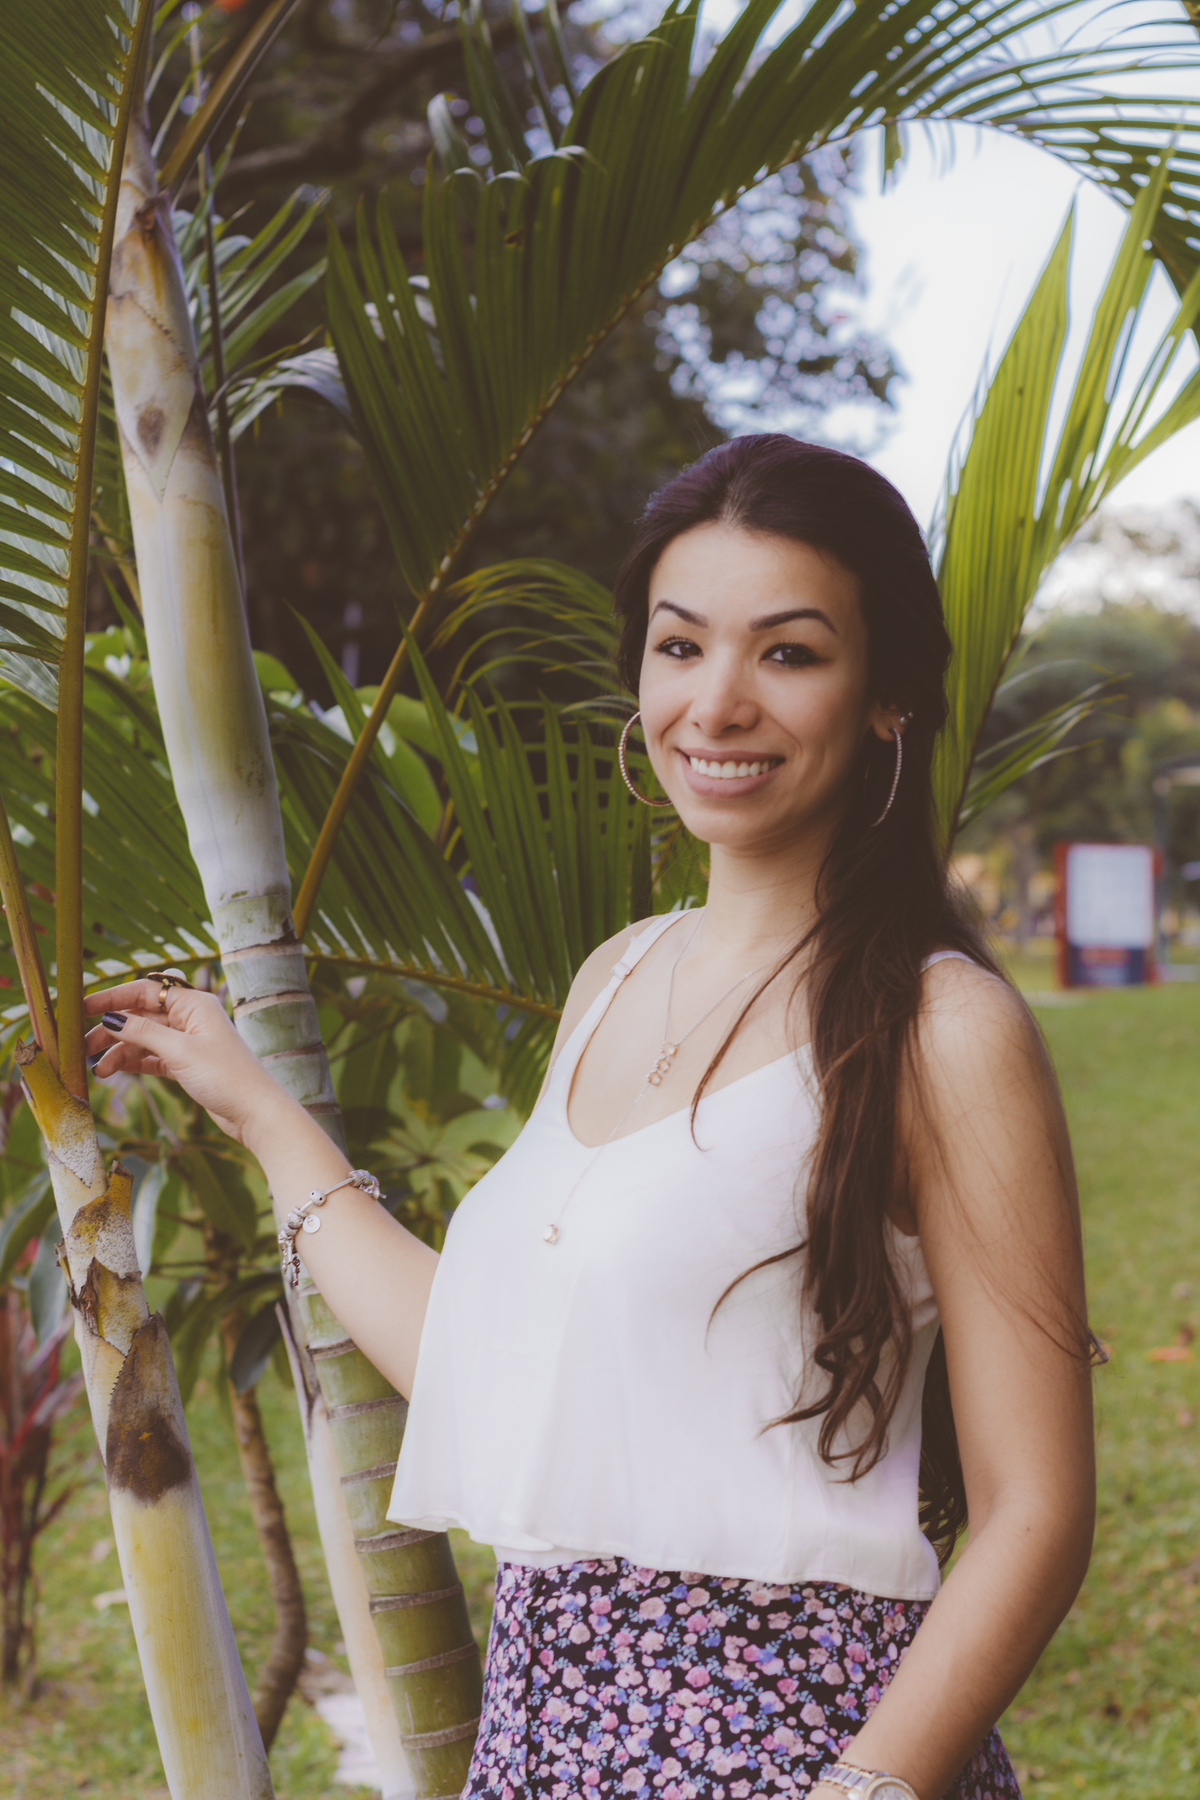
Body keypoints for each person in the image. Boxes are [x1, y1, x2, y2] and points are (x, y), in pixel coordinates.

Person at [86, 436, 1095, 1800]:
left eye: (789, 653)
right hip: (547, 1738)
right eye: (681, 647)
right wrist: (260, 1108)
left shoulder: (940, 1028)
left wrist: (862, 1791)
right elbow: (493, 1362)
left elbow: (1038, 1510)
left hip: (801, 1746)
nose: (718, 703)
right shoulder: (617, 974)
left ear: (887, 697)